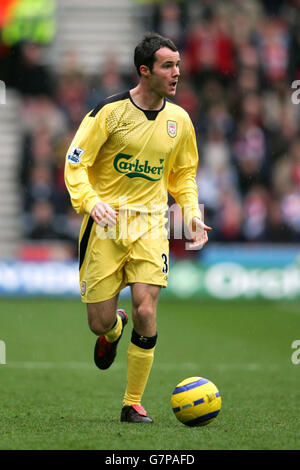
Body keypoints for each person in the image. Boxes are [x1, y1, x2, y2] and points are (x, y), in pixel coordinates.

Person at [64, 33, 211, 423]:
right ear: (144, 71)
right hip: (106, 225)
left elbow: (184, 174)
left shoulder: (180, 121)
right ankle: (112, 332)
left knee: (146, 308)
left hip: (151, 225)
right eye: (168, 65)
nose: (177, 72)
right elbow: (76, 162)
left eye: (178, 65)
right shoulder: (108, 113)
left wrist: (191, 211)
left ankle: (132, 403)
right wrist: (91, 202)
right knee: (98, 320)